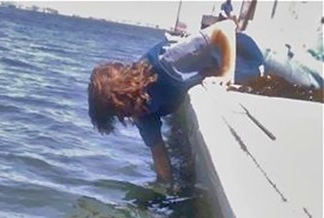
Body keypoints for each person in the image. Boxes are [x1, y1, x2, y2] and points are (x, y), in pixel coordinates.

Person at [87, 20, 263, 184]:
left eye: (122, 110)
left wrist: (226, 72)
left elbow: (225, 27)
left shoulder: (168, 61)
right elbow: (158, 153)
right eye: (121, 116)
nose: (128, 117)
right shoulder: (141, 113)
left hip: (245, 59)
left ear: (126, 89)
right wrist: (165, 188)